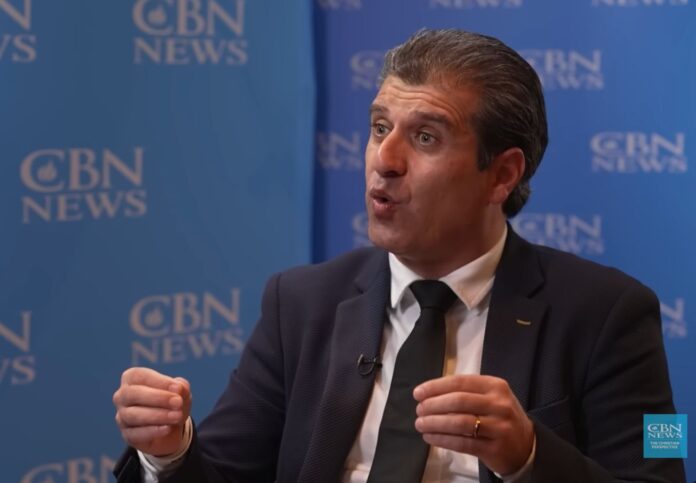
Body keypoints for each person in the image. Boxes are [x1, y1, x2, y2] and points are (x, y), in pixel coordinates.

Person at [112, 29, 686, 482]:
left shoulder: (612, 313)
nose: (384, 160)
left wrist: (529, 455)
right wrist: (169, 452)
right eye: (379, 127)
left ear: (502, 175)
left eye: (426, 137)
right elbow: (223, 472)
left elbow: (661, 470)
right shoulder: (300, 304)